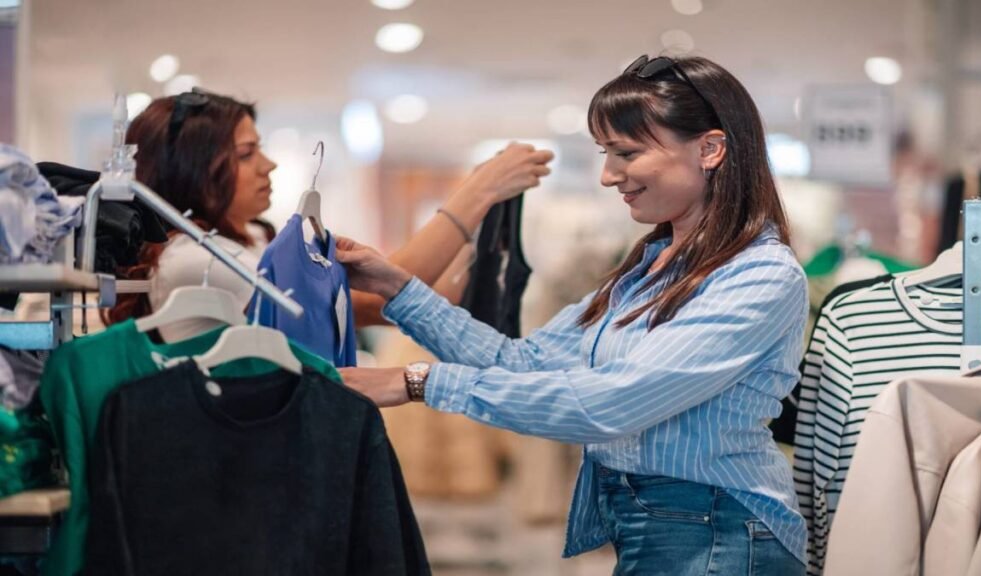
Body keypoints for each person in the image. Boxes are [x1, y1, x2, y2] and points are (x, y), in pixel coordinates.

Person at [336, 54, 809, 575]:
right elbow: (521, 361)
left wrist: (418, 381)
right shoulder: (645, 274)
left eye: (626, 153)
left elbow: (612, 403)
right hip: (663, 526)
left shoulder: (759, 275)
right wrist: (395, 286)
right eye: (606, 153)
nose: (609, 176)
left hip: (717, 531)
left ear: (711, 148)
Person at [105, 89, 553, 333]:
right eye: (246, 153)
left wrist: (484, 210)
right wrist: (475, 192)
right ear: (194, 171)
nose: (269, 164)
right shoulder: (196, 258)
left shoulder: (255, 241)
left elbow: (404, 298)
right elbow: (374, 299)